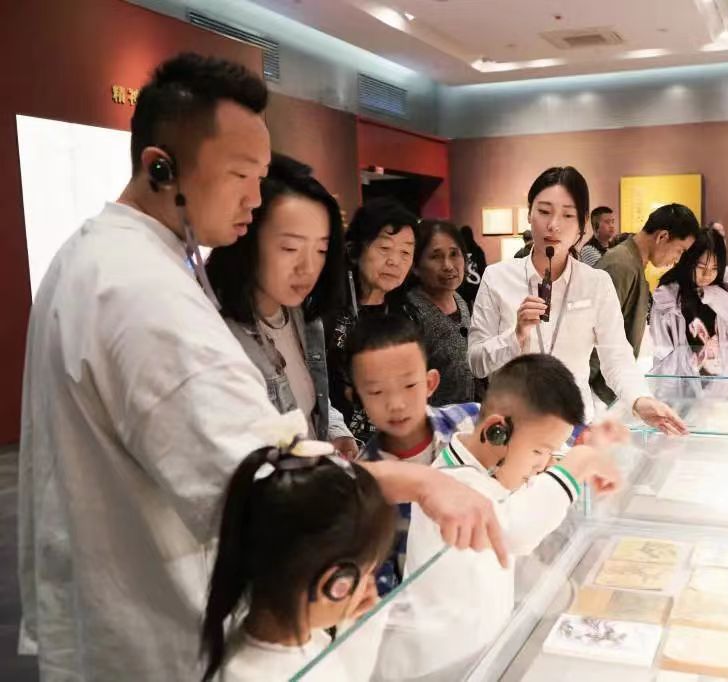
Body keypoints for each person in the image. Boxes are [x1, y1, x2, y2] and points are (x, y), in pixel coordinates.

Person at [18, 53, 507, 681]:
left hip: (122, 607)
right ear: (161, 167)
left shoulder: (103, 256)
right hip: (157, 629)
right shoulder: (142, 291)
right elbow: (271, 483)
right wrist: (418, 483)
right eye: (241, 175)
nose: (255, 197)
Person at [377, 353, 623, 679]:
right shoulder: (453, 487)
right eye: (539, 451)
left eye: (551, 453)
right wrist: (578, 463)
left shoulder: (485, 470)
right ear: (497, 431)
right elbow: (517, 531)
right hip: (441, 668)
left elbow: (523, 494)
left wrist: (579, 453)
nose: (543, 463)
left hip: (481, 653)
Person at [468, 166, 686, 434]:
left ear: (582, 224)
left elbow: (616, 356)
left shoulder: (596, 283)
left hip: (572, 425)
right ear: (529, 214)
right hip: (509, 425)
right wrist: (516, 336)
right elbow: (476, 362)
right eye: (544, 211)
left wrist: (640, 400)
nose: (553, 224)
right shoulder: (497, 277)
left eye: (567, 215)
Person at [200, 432, 395, 681]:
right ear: (335, 585)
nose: (369, 587)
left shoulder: (300, 637)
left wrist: (359, 623)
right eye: (367, 573)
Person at [206, 153, 358, 458]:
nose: (308, 268)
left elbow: (307, 396)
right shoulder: (220, 336)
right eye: (290, 248)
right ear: (247, 238)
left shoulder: (303, 316)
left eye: (321, 250)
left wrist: (335, 429)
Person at [348, 314, 481, 593]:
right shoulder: (364, 484)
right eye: (376, 391)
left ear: (430, 382)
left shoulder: (473, 422)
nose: (396, 404)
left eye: (409, 385)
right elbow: (379, 575)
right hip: (426, 603)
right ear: (358, 398)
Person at [326, 198, 419, 444]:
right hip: (336, 440)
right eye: (384, 248)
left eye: (405, 252)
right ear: (354, 250)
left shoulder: (407, 313)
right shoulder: (327, 311)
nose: (395, 261)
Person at [590, 203, 700, 404]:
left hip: (609, 387)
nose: (677, 259)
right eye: (679, 250)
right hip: (595, 391)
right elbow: (593, 336)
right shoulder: (620, 265)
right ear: (662, 237)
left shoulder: (632, 263)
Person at [651, 228, 728, 376]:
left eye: (714, 268)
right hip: (683, 378)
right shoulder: (668, 295)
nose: (707, 275)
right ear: (688, 261)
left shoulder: (725, 286)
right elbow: (662, 348)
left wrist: (712, 294)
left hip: (721, 376)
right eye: (701, 267)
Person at [407, 220, 476, 406]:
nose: (448, 265)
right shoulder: (410, 312)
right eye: (435, 257)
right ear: (415, 266)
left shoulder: (459, 300)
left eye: (454, 254)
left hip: (466, 416)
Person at [458, 224, 487, 307]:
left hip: (463, 287)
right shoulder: (477, 250)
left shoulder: (459, 251)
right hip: (476, 285)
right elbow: (482, 269)